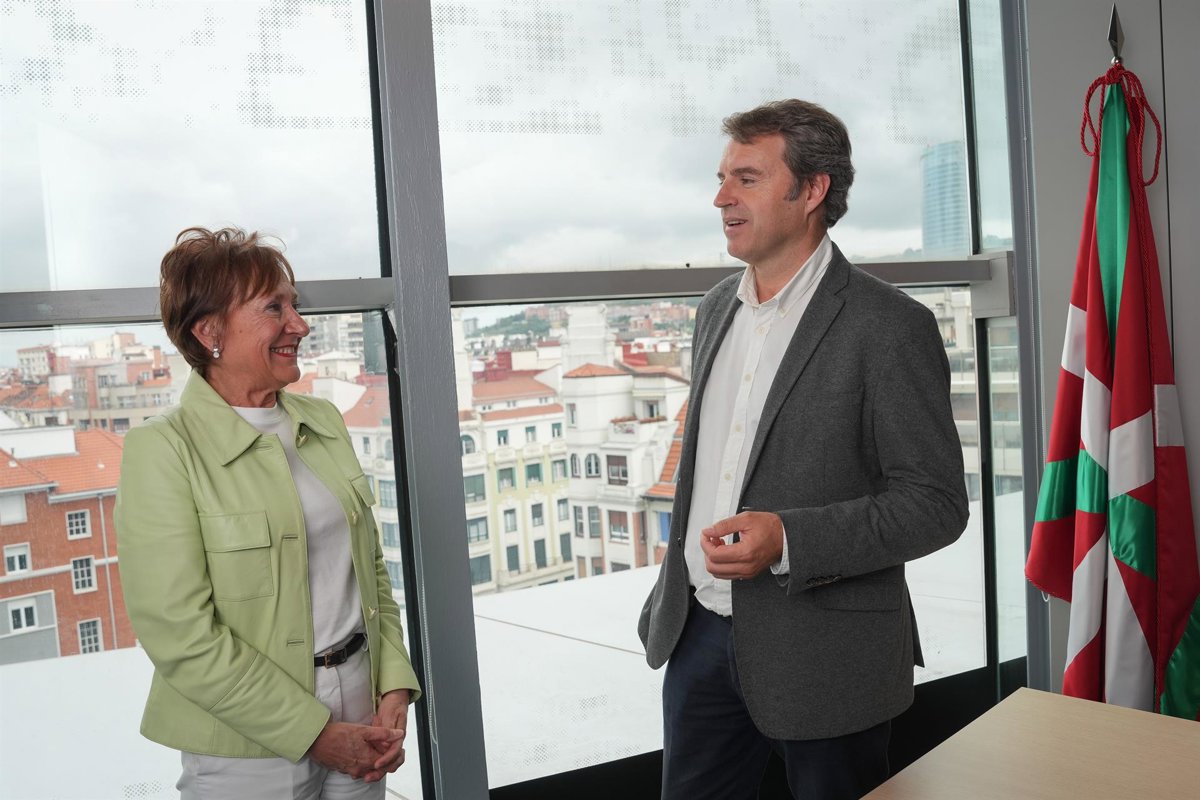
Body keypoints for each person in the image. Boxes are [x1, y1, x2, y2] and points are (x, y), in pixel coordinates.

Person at [638, 100, 969, 799]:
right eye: (722, 178)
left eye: (747, 178)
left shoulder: (891, 326)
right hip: (697, 635)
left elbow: (936, 505)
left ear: (813, 190)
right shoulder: (714, 309)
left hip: (829, 656)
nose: (721, 198)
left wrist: (789, 538)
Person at [116, 226, 421, 800]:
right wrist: (313, 733)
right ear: (209, 331)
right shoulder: (164, 449)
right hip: (244, 739)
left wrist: (394, 685)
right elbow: (180, 635)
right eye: (274, 308)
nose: (299, 325)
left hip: (362, 701)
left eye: (294, 306)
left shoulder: (323, 420)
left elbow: (369, 572)